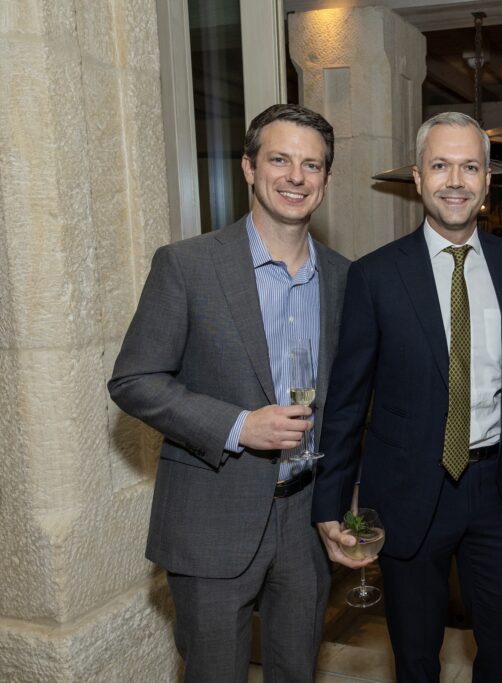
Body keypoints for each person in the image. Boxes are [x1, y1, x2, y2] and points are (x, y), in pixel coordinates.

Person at [108, 103, 348, 682]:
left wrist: (349, 495)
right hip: (211, 518)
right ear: (248, 167)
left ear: (326, 180)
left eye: (311, 165)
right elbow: (133, 380)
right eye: (280, 160)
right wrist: (241, 426)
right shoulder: (187, 265)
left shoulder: (344, 276)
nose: (295, 177)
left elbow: (350, 405)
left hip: (307, 522)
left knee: (298, 671)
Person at [312, 111, 502, 683]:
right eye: (441, 166)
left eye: (469, 167)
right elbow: (345, 401)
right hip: (410, 487)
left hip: (500, 491)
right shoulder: (375, 276)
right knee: (414, 656)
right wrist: (330, 504)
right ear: (418, 178)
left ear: (489, 180)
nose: (455, 180)